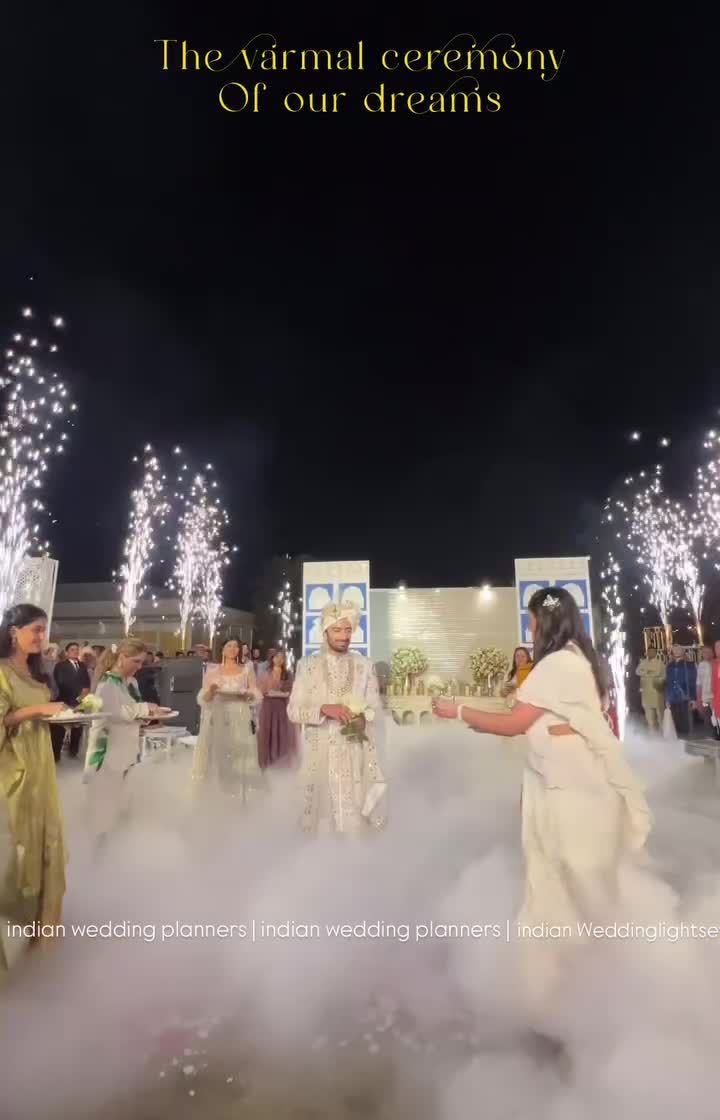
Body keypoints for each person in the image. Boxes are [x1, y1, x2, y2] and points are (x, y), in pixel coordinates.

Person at [433, 587, 650, 1013]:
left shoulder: (556, 665)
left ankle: (614, 988)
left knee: (577, 888)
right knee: (567, 886)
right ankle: (571, 991)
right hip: (572, 784)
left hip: (571, 792)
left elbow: (515, 723)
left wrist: (457, 710)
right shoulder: (582, 657)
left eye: (532, 619)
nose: (530, 628)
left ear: (545, 621)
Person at [0, 604, 67, 963]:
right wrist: (37, 710)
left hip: (42, 770)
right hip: (14, 771)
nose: (42, 636)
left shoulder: (36, 672)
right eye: (36, 629)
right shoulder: (2, 672)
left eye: (44, 630)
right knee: (16, 851)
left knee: (45, 844)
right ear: (14, 631)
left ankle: (40, 942)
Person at [288, 601, 387, 833]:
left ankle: (355, 853)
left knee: (355, 817)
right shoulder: (307, 666)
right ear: (325, 632)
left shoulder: (364, 666)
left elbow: (375, 708)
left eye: (348, 630)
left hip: (355, 753)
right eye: (337, 630)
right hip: (319, 754)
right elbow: (293, 710)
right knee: (320, 820)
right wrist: (323, 709)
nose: (344, 636)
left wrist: (364, 719)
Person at [84, 640, 169, 840]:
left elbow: (134, 712)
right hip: (107, 753)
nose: (139, 667)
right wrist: (145, 708)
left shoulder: (130, 683)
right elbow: (114, 713)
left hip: (127, 749)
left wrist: (149, 714)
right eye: (136, 661)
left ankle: (119, 847)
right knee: (104, 810)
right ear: (121, 658)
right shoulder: (107, 683)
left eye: (142, 663)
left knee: (123, 806)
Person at [191, 638, 264, 801]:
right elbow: (204, 699)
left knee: (240, 753)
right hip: (218, 715)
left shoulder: (246, 669)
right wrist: (212, 691)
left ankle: (241, 796)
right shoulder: (212, 670)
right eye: (229, 646)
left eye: (236, 646)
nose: (233, 649)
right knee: (218, 753)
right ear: (222, 649)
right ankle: (215, 795)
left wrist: (247, 695)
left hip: (240, 714)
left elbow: (255, 693)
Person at [52, 641, 92, 760]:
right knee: (59, 729)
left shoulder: (82, 666)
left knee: (77, 729)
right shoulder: (60, 666)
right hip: (64, 700)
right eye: (72, 649)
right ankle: (56, 755)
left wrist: (81, 698)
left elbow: (86, 683)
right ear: (67, 652)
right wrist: (70, 700)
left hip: (79, 702)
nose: (75, 651)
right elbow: (61, 682)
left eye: (77, 649)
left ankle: (73, 752)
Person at [258, 650, 297, 769]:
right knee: (268, 731)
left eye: (282, 657)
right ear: (272, 658)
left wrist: (285, 693)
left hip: (283, 705)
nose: (279, 659)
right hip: (268, 705)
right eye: (277, 657)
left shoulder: (288, 674)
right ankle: (268, 761)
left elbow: (292, 690)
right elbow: (261, 690)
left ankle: (282, 761)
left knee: (282, 731)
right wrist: (266, 691)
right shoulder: (266, 673)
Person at [665, 645, 697, 738]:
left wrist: (693, 698)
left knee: (685, 722)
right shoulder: (669, 666)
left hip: (685, 696)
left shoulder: (690, 665)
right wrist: (667, 699)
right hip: (672, 697)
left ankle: (686, 740)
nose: (676, 651)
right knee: (675, 721)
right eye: (674, 649)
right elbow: (668, 683)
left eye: (679, 649)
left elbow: (693, 682)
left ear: (683, 651)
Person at [636, 648, 666, 732]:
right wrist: (649, 672)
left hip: (656, 692)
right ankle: (653, 735)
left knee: (660, 715)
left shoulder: (659, 663)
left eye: (653, 652)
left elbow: (657, 673)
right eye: (649, 652)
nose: (651, 653)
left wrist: (644, 672)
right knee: (649, 716)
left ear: (656, 653)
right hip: (646, 692)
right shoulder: (643, 662)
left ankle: (662, 734)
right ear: (647, 653)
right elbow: (637, 672)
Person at [696, 644, 715, 736]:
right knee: (707, 719)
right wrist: (698, 699)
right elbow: (698, 683)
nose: (706, 654)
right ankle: (711, 738)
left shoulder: (717, 663)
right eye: (704, 652)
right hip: (705, 698)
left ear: (713, 653)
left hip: (716, 698)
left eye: (708, 652)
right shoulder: (701, 665)